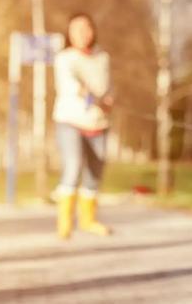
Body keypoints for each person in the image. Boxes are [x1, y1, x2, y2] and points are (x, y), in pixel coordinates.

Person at [53, 13, 113, 239]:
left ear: (93, 30)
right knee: (74, 164)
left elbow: (108, 86)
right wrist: (87, 93)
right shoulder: (64, 58)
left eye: (86, 28)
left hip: (98, 122)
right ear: (69, 33)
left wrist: (109, 99)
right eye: (76, 29)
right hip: (70, 120)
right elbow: (70, 84)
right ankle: (65, 222)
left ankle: (88, 220)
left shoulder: (103, 57)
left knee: (94, 173)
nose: (82, 33)